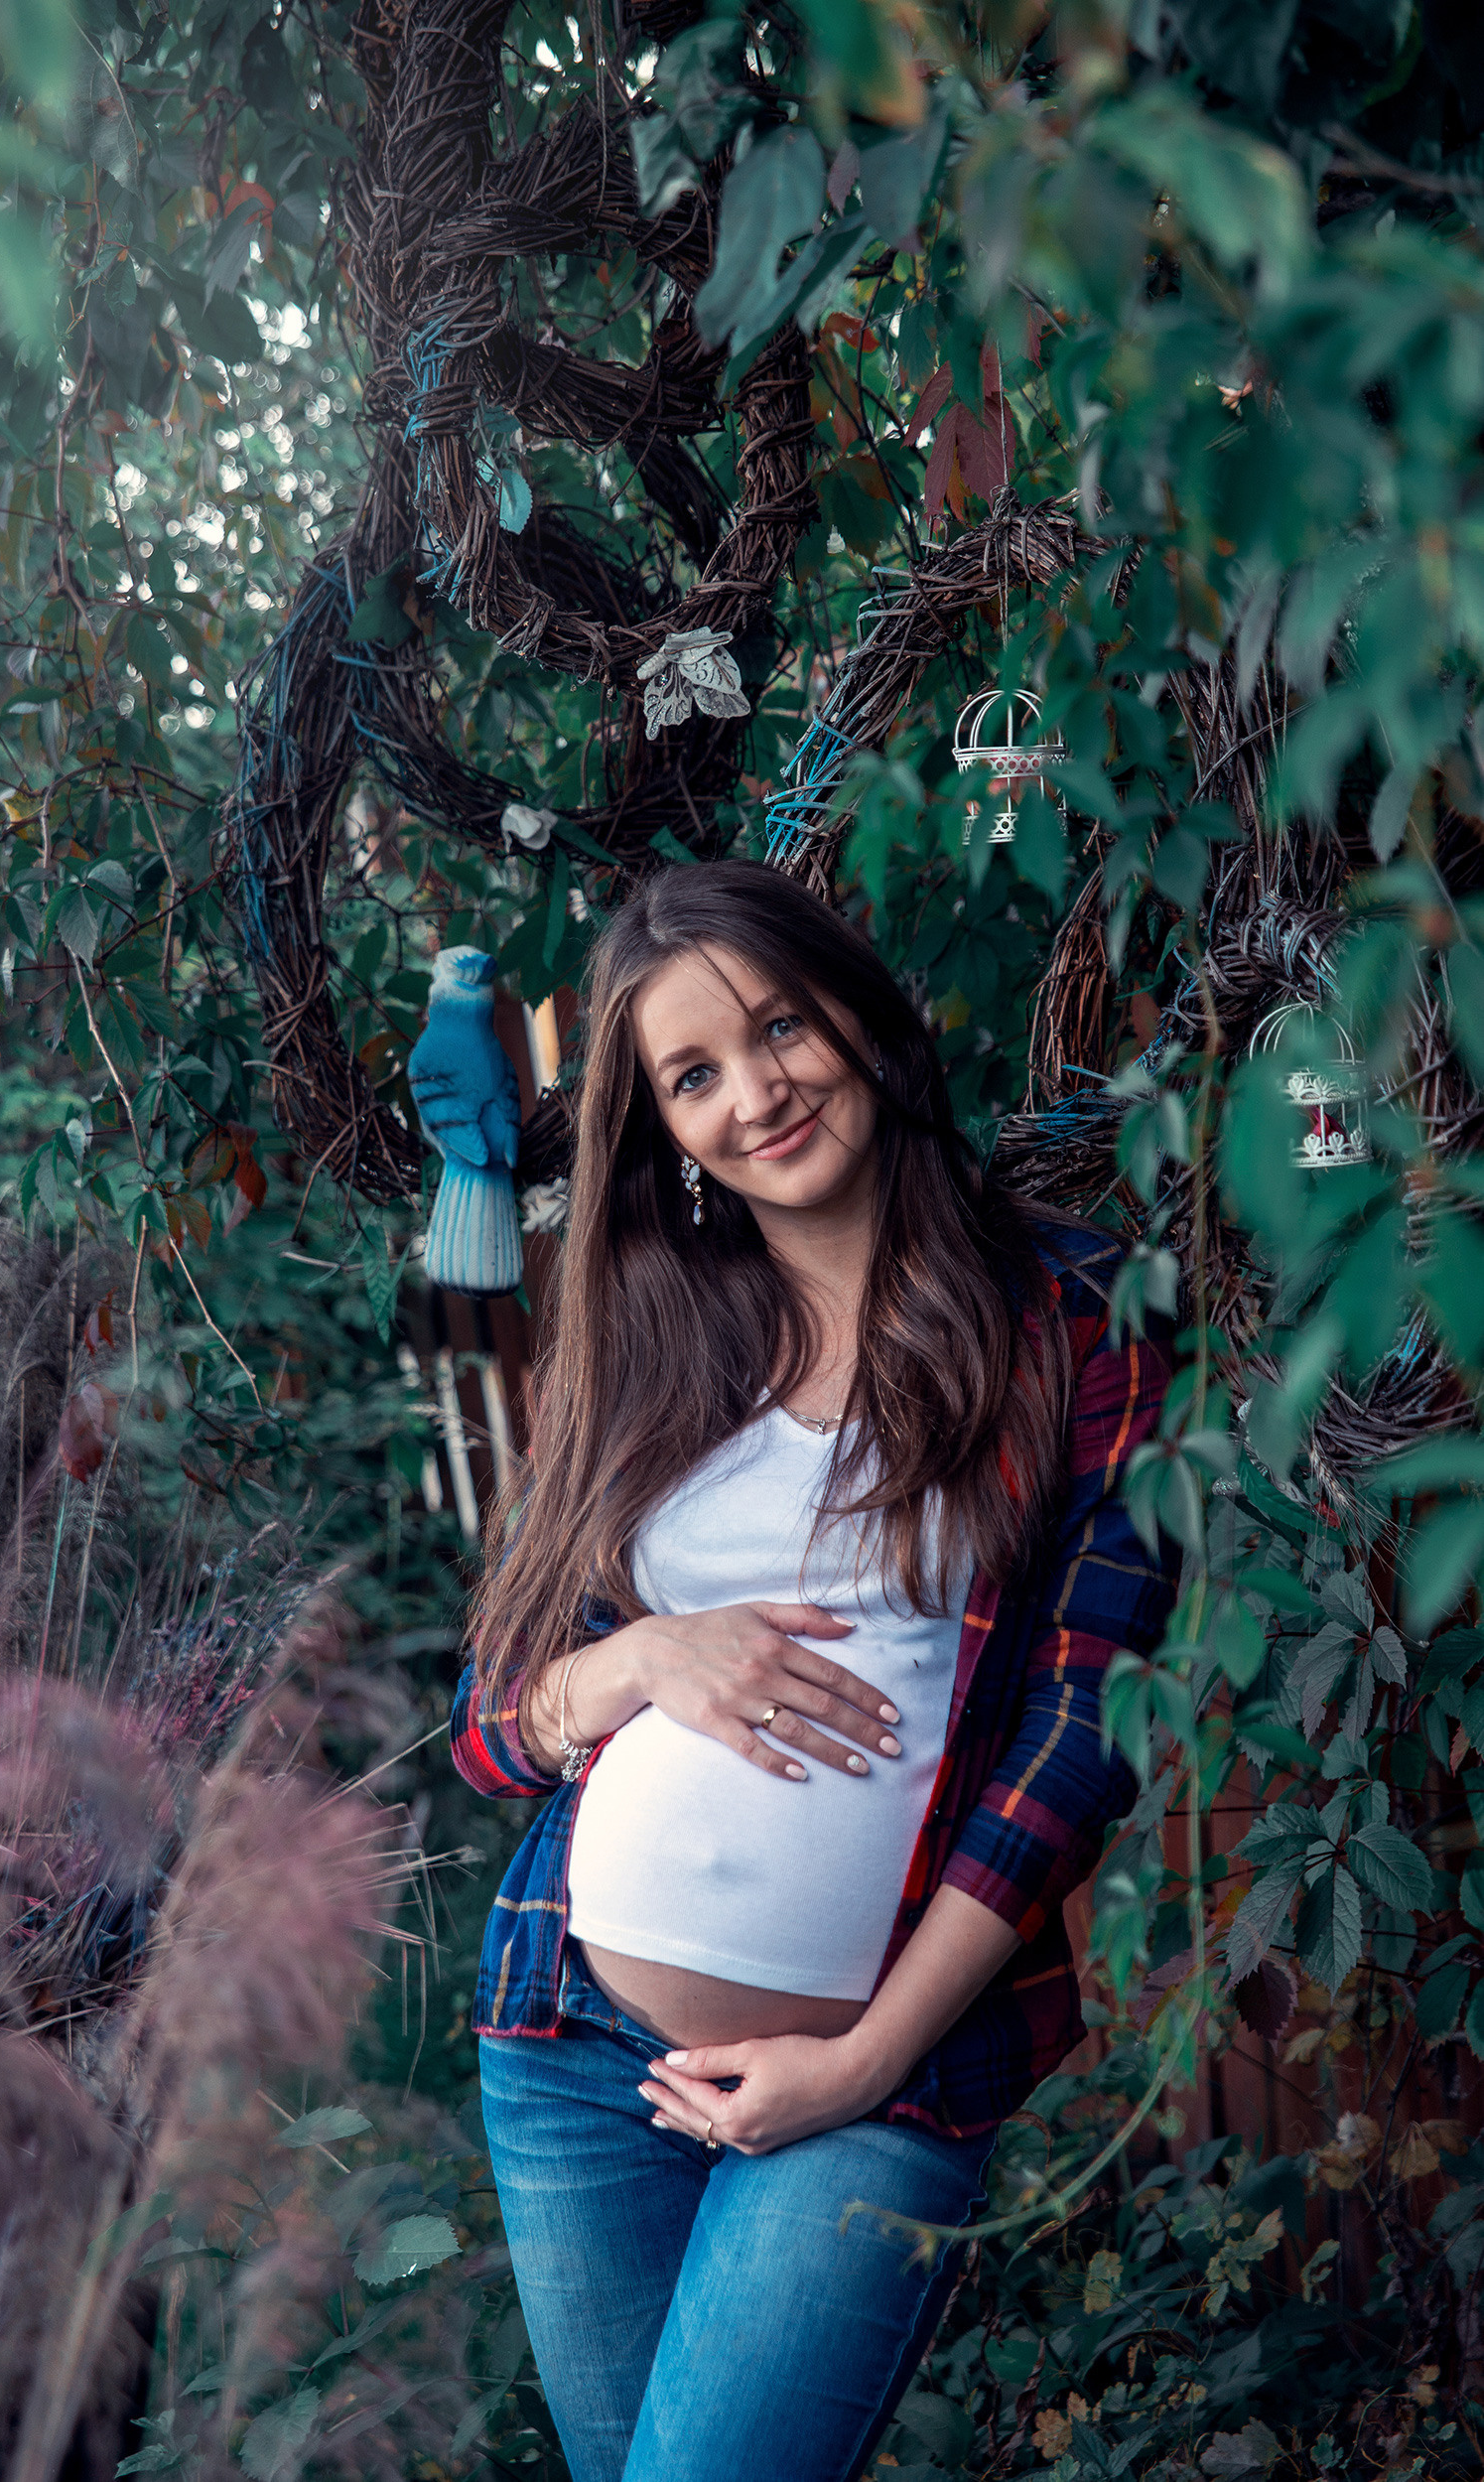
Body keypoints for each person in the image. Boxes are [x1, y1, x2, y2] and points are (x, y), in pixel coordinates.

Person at [451, 861, 1175, 2482]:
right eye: (692, 1075)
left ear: (854, 1012)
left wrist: (864, 2058)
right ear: (662, 1128)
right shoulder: (646, 1334)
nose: (753, 1093)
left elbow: (1080, 1731)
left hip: (865, 2072)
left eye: (777, 1027)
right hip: (572, 2045)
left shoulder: (1065, 1313)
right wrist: (640, 1655)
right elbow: (490, 1724)